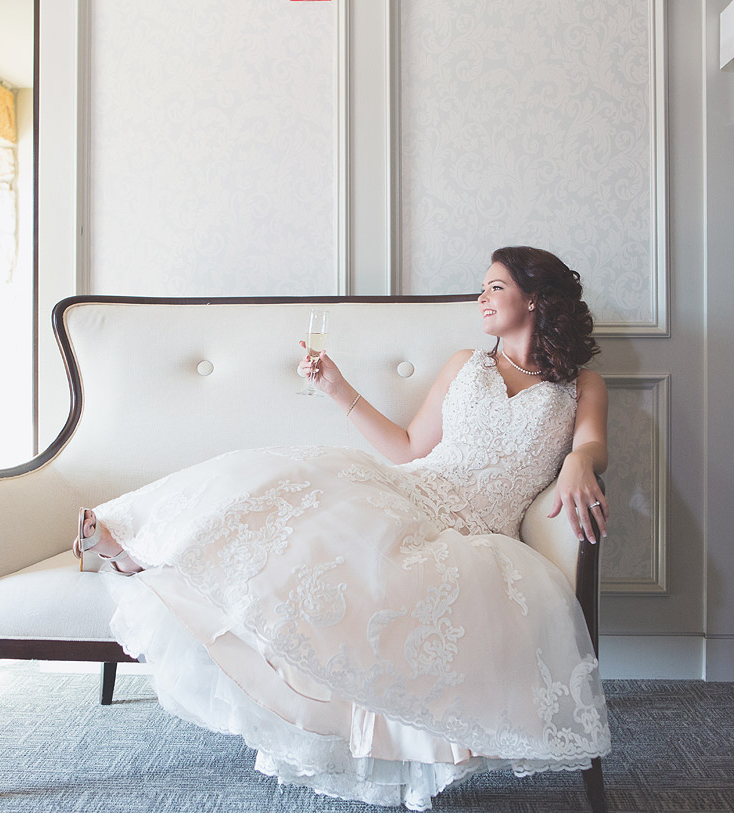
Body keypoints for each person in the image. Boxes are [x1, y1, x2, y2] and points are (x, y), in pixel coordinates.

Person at [74, 246, 611, 810]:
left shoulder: (580, 386)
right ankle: (133, 543)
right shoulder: (464, 365)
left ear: (534, 298)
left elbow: (593, 443)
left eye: (494, 287)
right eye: (483, 287)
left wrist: (579, 459)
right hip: (411, 489)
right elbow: (407, 448)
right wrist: (337, 388)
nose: (481, 297)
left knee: (385, 578)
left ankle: (139, 551)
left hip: (477, 530)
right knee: (274, 483)